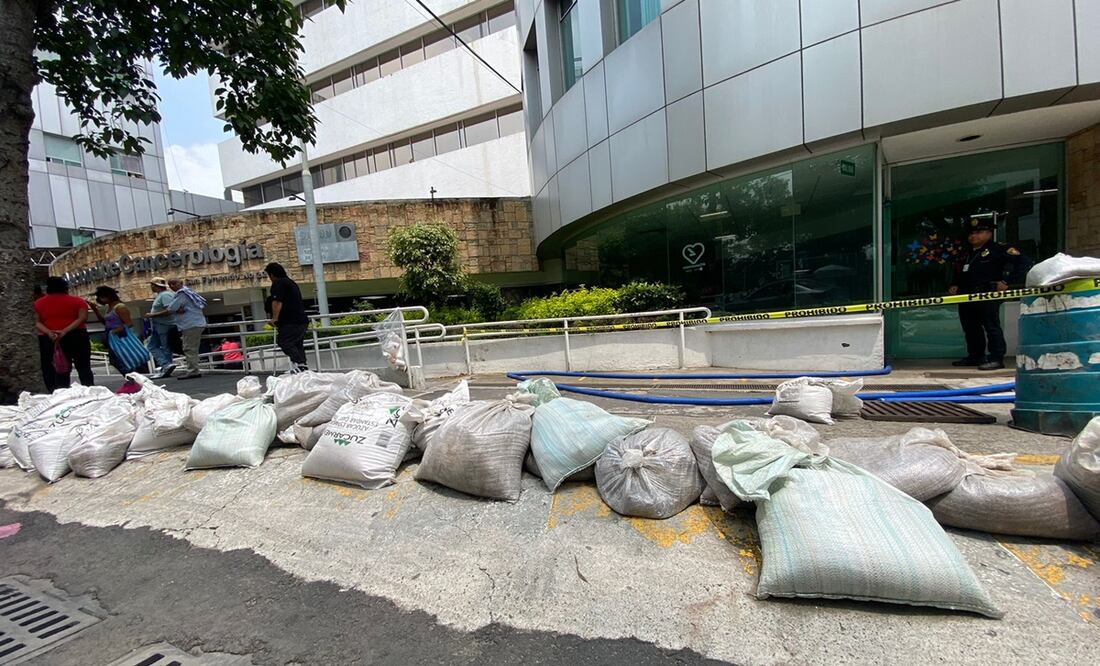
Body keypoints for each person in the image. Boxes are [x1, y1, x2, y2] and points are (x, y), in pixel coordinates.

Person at [948, 216, 1032, 371]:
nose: (974, 236)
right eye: (971, 233)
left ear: (988, 233)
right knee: (970, 327)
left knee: (991, 325)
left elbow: (1024, 263)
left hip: (988, 294)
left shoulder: (997, 249)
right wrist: (954, 284)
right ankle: (975, 356)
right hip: (967, 295)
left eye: (979, 232)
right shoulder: (966, 253)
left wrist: (1007, 282)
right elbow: (960, 271)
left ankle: (996, 358)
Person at [34, 276, 95, 391]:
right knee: (84, 367)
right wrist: (65, 331)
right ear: (65, 287)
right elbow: (82, 318)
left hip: (50, 338)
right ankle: (90, 391)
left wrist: (49, 332)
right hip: (77, 336)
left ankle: (60, 393)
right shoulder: (78, 301)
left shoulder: (38, 304)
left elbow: (36, 321)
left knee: (57, 369)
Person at [88, 286, 147, 393]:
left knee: (124, 359)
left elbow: (129, 323)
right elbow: (105, 322)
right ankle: (132, 380)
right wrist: (95, 310)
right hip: (112, 337)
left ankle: (134, 381)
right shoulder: (109, 308)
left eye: (101, 297)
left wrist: (115, 331)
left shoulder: (120, 307)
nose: (100, 300)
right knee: (117, 360)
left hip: (121, 337)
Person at [145, 278, 207, 380]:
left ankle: (192, 371)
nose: (172, 286)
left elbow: (171, 309)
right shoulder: (185, 292)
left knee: (188, 348)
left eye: (174, 283)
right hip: (189, 324)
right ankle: (169, 366)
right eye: (171, 284)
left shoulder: (179, 294)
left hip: (187, 324)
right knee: (186, 347)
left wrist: (152, 315)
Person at [265, 262, 310, 374]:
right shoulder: (291, 283)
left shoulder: (278, 283)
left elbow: (277, 302)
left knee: (284, 341)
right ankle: (302, 365)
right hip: (301, 320)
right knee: (297, 343)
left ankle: (299, 363)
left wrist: (274, 318)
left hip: (290, 321)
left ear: (272, 275)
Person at [145, 277, 178, 379]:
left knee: (164, 347)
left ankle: (166, 365)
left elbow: (170, 310)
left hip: (165, 325)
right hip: (159, 325)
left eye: (152, 285)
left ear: (155, 286)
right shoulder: (163, 295)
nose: (151, 287)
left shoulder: (165, 295)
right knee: (154, 346)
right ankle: (166, 366)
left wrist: (153, 315)